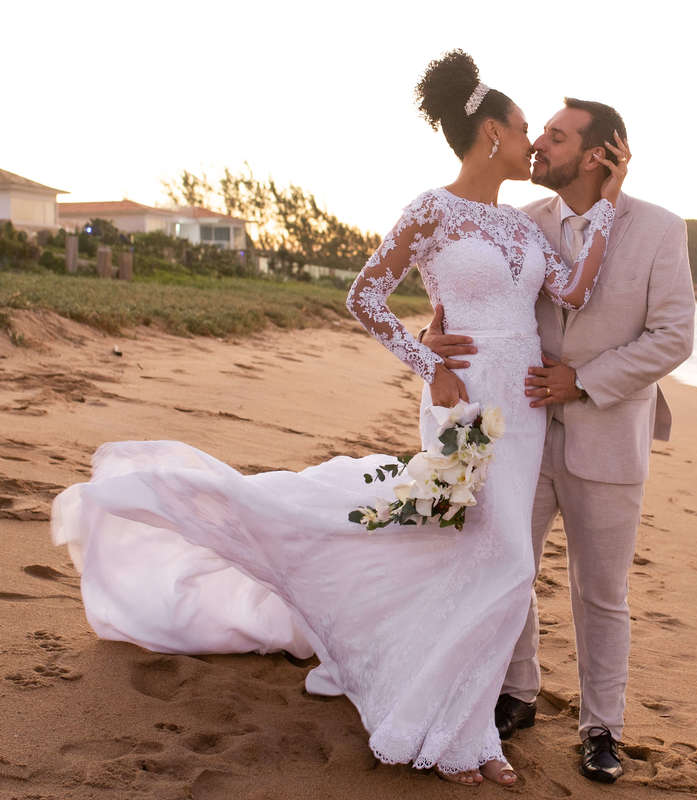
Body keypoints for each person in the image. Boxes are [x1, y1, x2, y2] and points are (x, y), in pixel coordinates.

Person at [49, 50, 629, 788]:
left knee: (492, 562)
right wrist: (429, 362)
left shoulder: (522, 226)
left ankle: (465, 720)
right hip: (465, 399)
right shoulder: (431, 210)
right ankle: (463, 734)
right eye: (521, 129)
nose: (531, 142)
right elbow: (365, 295)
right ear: (491, 132)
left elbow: (573, 291)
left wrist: (609, 200)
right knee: (501, 558)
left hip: (525, 406)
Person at [422, 97, 695, 783]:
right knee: (510, 566)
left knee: (600, 593)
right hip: (522, 430)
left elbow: (673, 337)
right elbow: (468, 296)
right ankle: (517, 692)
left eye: (557, 136)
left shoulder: (660, 229)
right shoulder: (522, 221)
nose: (539, 144)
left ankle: (602, 728)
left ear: (600, 154)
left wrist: (585, 380)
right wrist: (431, 334)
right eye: (539, 132)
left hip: (610, 433)